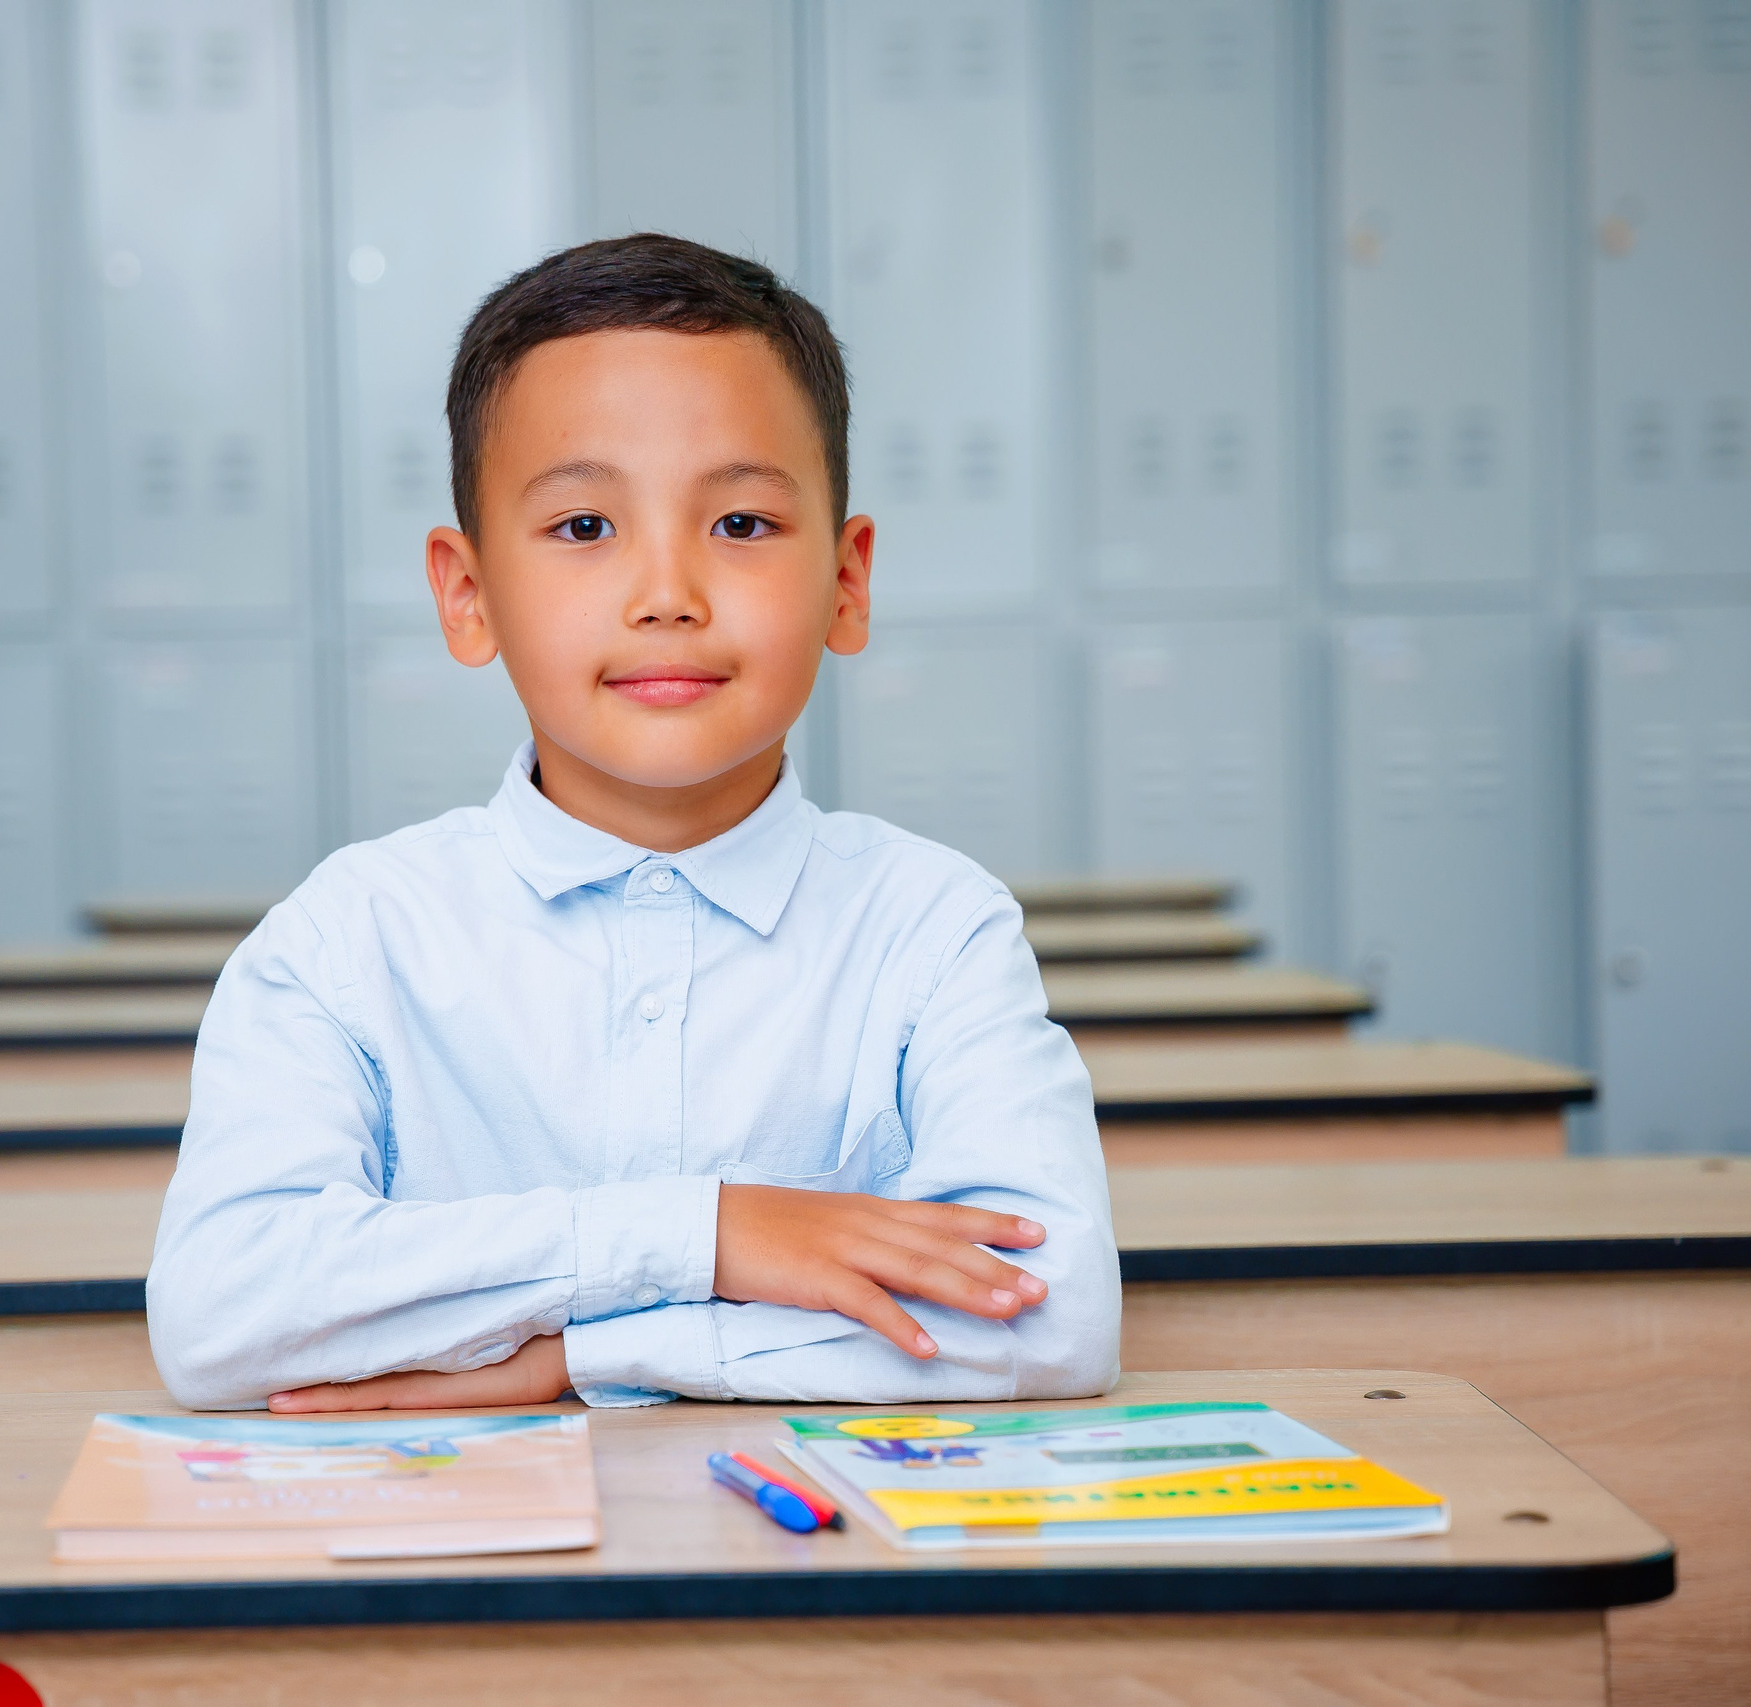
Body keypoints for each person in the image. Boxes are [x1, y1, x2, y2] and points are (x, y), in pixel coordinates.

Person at [148, 234, 1118, 1411]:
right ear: (468, 594)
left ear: (848, 582)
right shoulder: (351, 941)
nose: (668, 594)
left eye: (743, 525)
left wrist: (583, 1355)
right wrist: (711, 1238)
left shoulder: (933, 930)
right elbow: (220, 1314)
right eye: (584, 529)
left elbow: (1049, 1318)